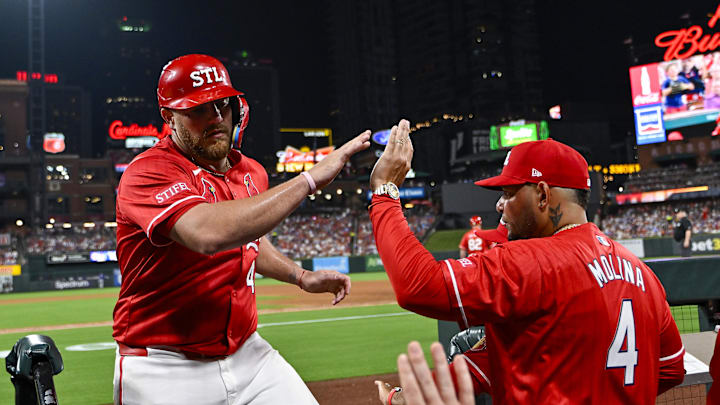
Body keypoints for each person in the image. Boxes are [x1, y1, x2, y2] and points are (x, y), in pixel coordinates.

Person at [112, 54, 371, 405]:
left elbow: (247, 241)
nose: (216, 118)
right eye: (198, 109)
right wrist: (309, 179)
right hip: (164, 365)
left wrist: (299, 275)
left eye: (222, 105)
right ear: (169, 117)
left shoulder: (252, 172)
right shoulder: (149, 171)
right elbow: (207, 235)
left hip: (249, 353)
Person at [369, 120, 685, 403]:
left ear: (543, 195)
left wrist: (385, 192)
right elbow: (671, 369)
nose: (500, 204)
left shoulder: (531, 260)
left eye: (509, 192)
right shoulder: (642, 273)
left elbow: (420, 287)